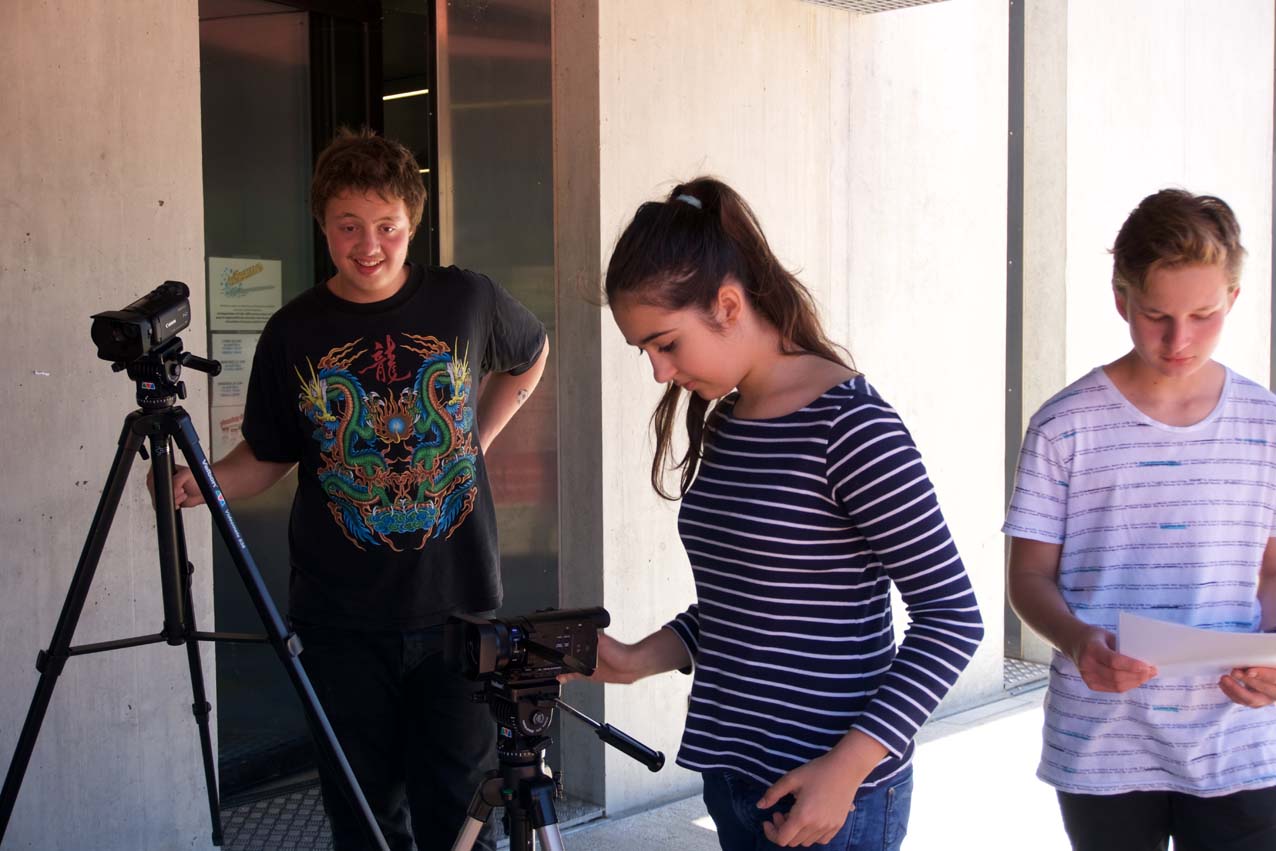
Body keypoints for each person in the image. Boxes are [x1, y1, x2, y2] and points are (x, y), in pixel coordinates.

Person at [162, 128, 548, 851]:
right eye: (348, 226)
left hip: (458, 609)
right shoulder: (293, 331)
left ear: (412, 223)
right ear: (323, 225)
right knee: (362, 816)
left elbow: (530, 354)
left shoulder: (467, 298)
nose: (368, 245)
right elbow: (268, 454)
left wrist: (476, 437)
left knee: (462, 815)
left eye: (386, 226)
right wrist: (206, 482)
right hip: (340, 619)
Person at [574, 177, 984, 851]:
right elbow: (751, 602)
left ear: (728, 305)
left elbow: (952, 619)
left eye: (666, 343)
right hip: (735, 777)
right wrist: (631, 660)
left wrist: (847, 770)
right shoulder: (729, 420)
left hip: (830, 801)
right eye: (644, 351)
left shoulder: (852, 427)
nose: (658, 372)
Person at [1005, 188, 1276, 851]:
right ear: (1122, 299)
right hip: (1102, 744)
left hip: (1239, 743)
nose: (1179, 340)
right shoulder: (1064, 424)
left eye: (1204, 315)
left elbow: (1271, 573)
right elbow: (1029, 577)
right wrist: (1077, 641)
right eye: (1157, 315)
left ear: (1233, 298)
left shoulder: (1266, 423)